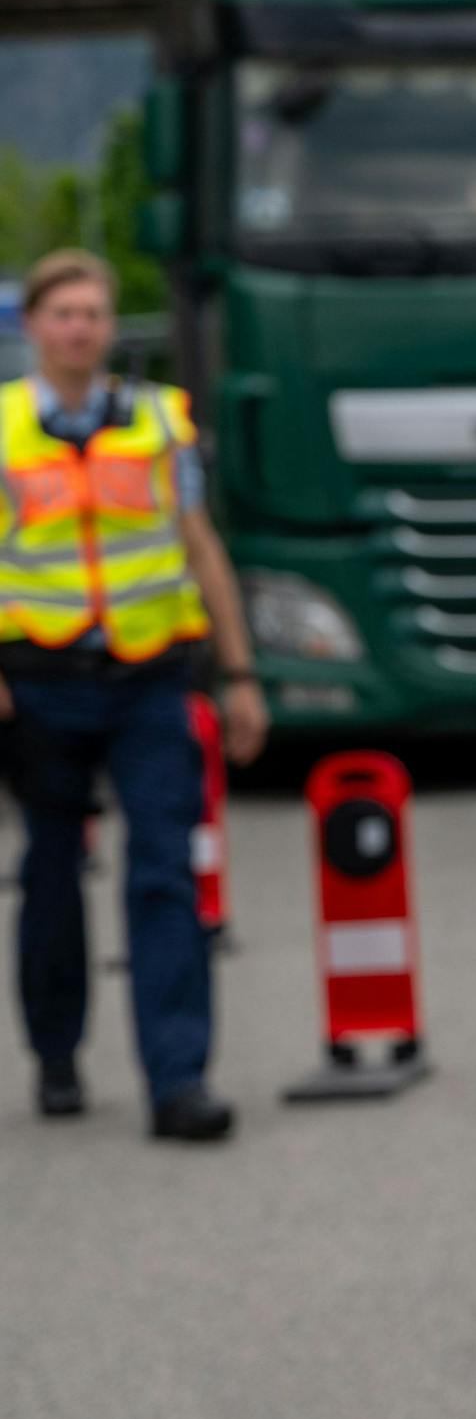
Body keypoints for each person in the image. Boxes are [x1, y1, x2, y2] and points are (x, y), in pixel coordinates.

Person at [6, 249, 268, 1142]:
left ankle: (179, 1077)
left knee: (165, 873)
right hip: (39, 684)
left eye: (93, 313)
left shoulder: (159, 425)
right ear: (32, 325)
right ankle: (55, 1055)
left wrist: (239, 677)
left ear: (112, 327)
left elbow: (201, 548)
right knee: (50, 874)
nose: (79, 328)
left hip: (151, 679)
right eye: (63, 313)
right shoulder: (2, 429)